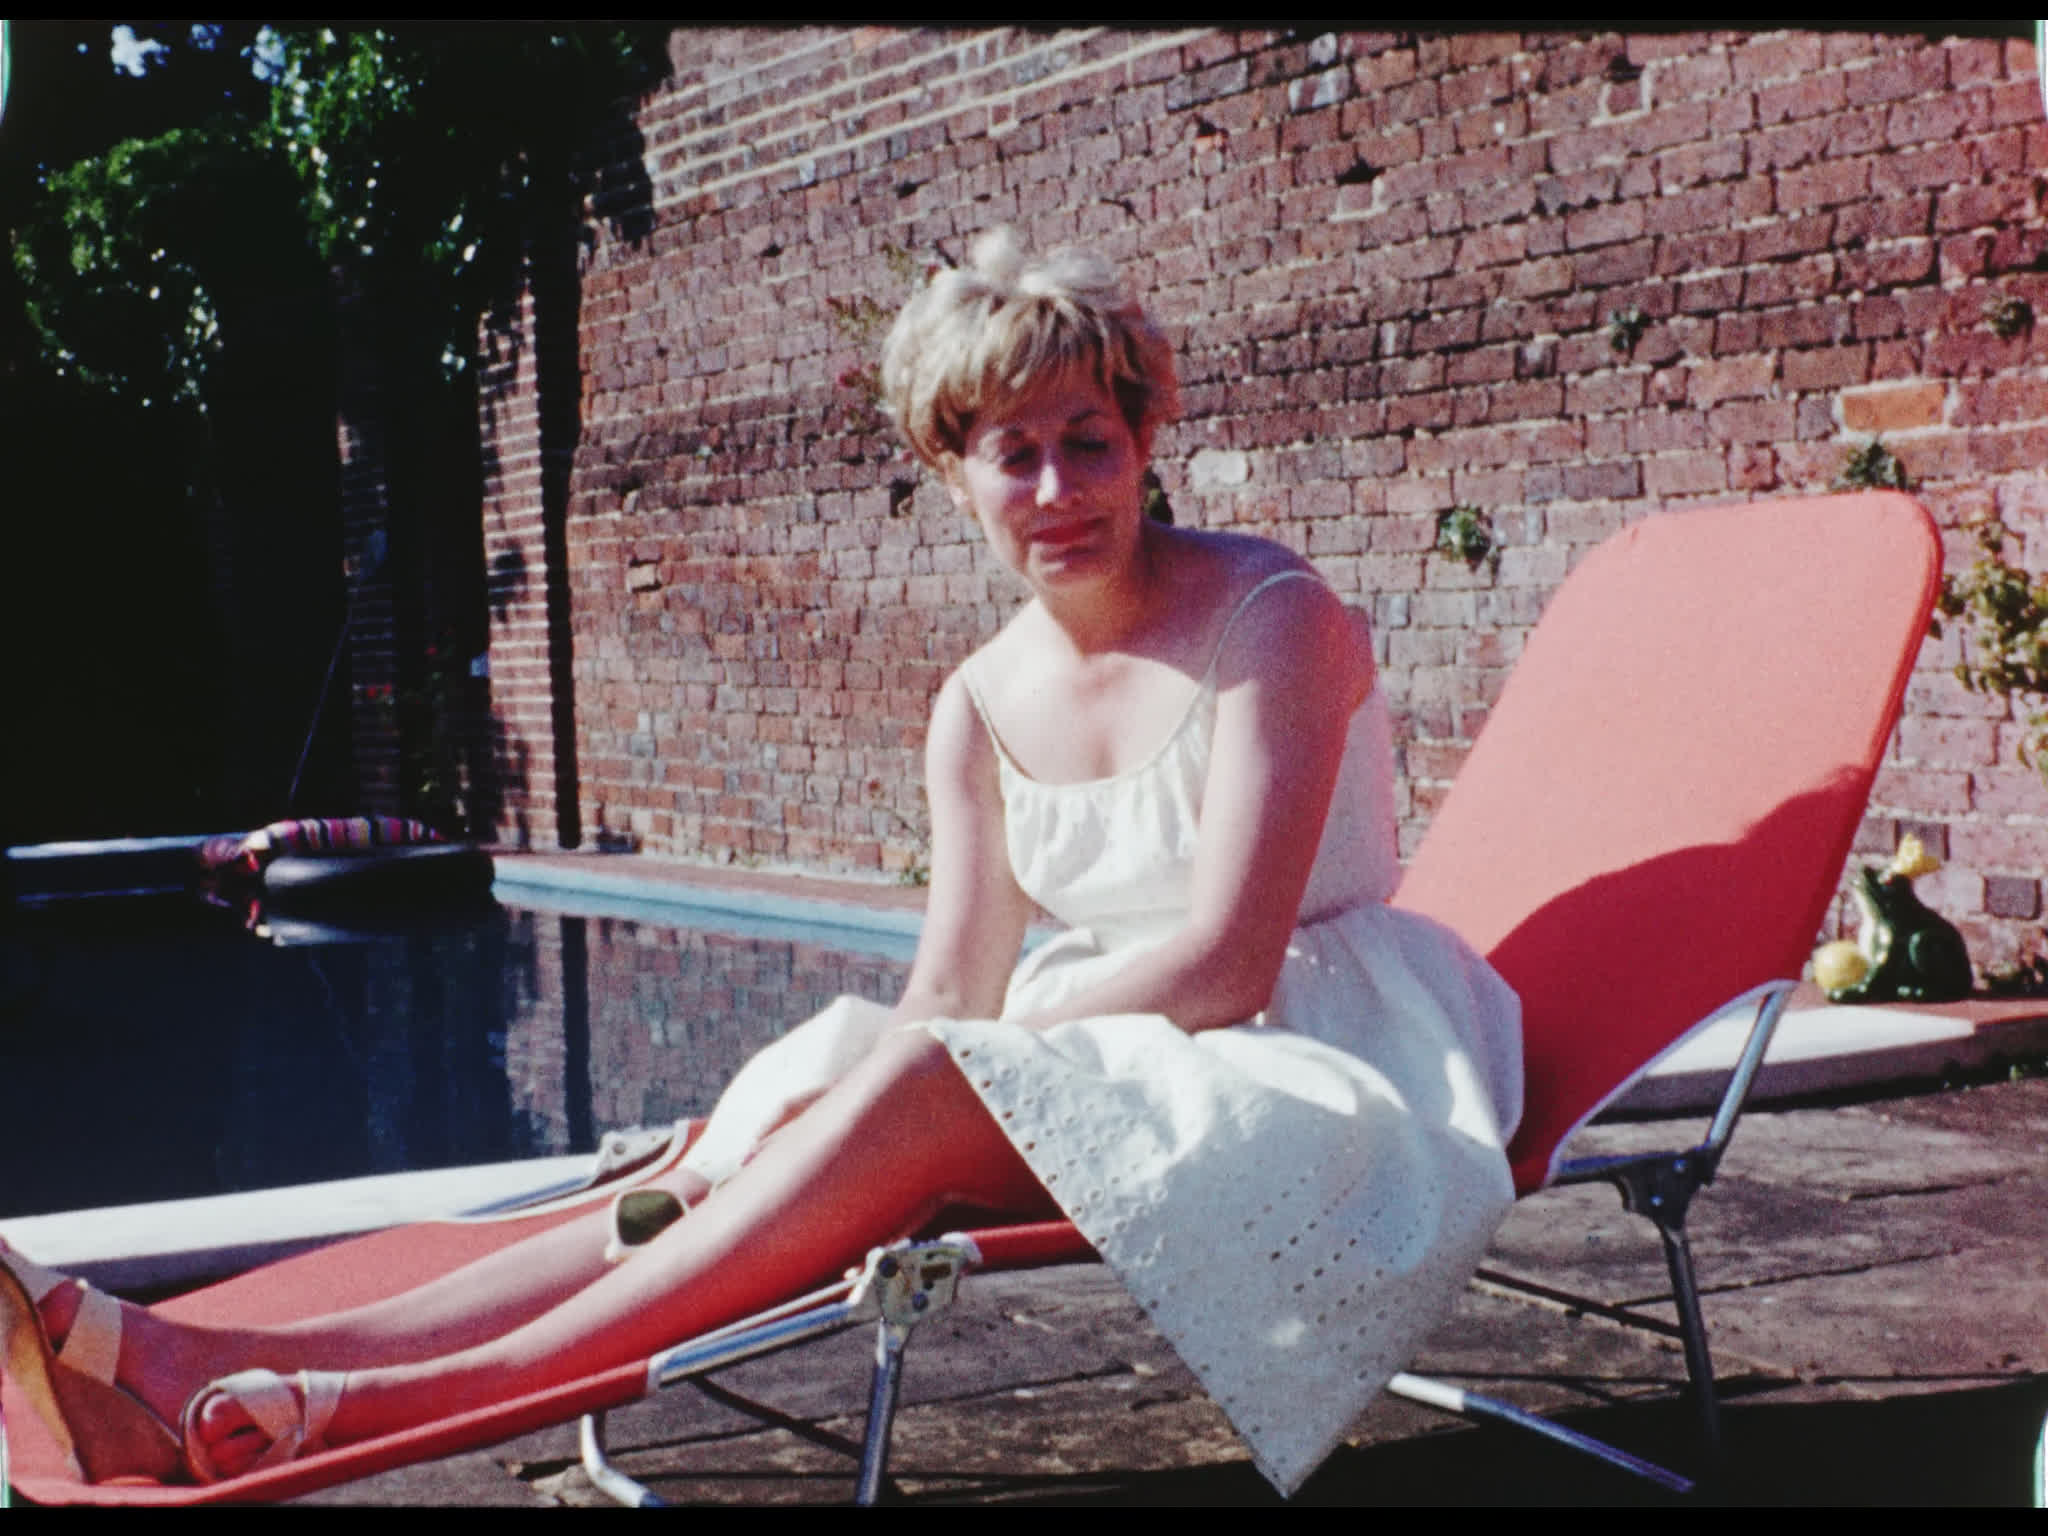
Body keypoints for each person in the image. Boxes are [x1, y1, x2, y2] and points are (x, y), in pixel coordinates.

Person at [0, 229, 1521, 1497]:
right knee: (735, 1136)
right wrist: (878, 1064)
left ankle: (385, 1414)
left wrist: (932, 1063)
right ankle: (208, 1363)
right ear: (953, 474)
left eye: (1089, 443)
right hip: (1099, 1049)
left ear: (1144, 441)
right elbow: (954, 976)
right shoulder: (978, 703)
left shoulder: (1276, 623)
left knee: (899, 1082)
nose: (1058, 492)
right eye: (1015, 454)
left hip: (1308, 1051)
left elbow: (1226, 962)